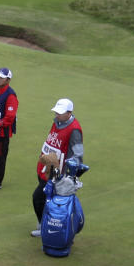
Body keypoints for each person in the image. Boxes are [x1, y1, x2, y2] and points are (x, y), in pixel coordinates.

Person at [31, 98, 83, 237]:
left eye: (60, 113)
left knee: (39, 198)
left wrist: (70, 175)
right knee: (44, 199)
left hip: (57, 173)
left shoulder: (74, 130)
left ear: (69, 113)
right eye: (56, 112)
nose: (56, 115)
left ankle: (45, 226)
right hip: (45, 168)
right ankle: (44, 225)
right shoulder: (57, 122)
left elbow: (77, 154)